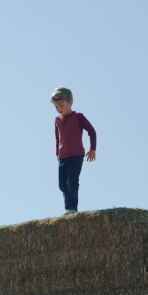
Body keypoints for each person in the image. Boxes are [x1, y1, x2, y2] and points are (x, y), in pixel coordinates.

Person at [51, 86, 97, 215]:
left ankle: (71, 209)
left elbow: (92, 131)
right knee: (62, 185)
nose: (59, 109)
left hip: (76, 155)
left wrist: (92, 149)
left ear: (70, 102)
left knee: (72, 180)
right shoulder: (57, 120)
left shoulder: (78, 116)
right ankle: (68, 208)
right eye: (56, 107)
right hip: (62, 156)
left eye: (61, 105)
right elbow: (57, 138)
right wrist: (57, 154)